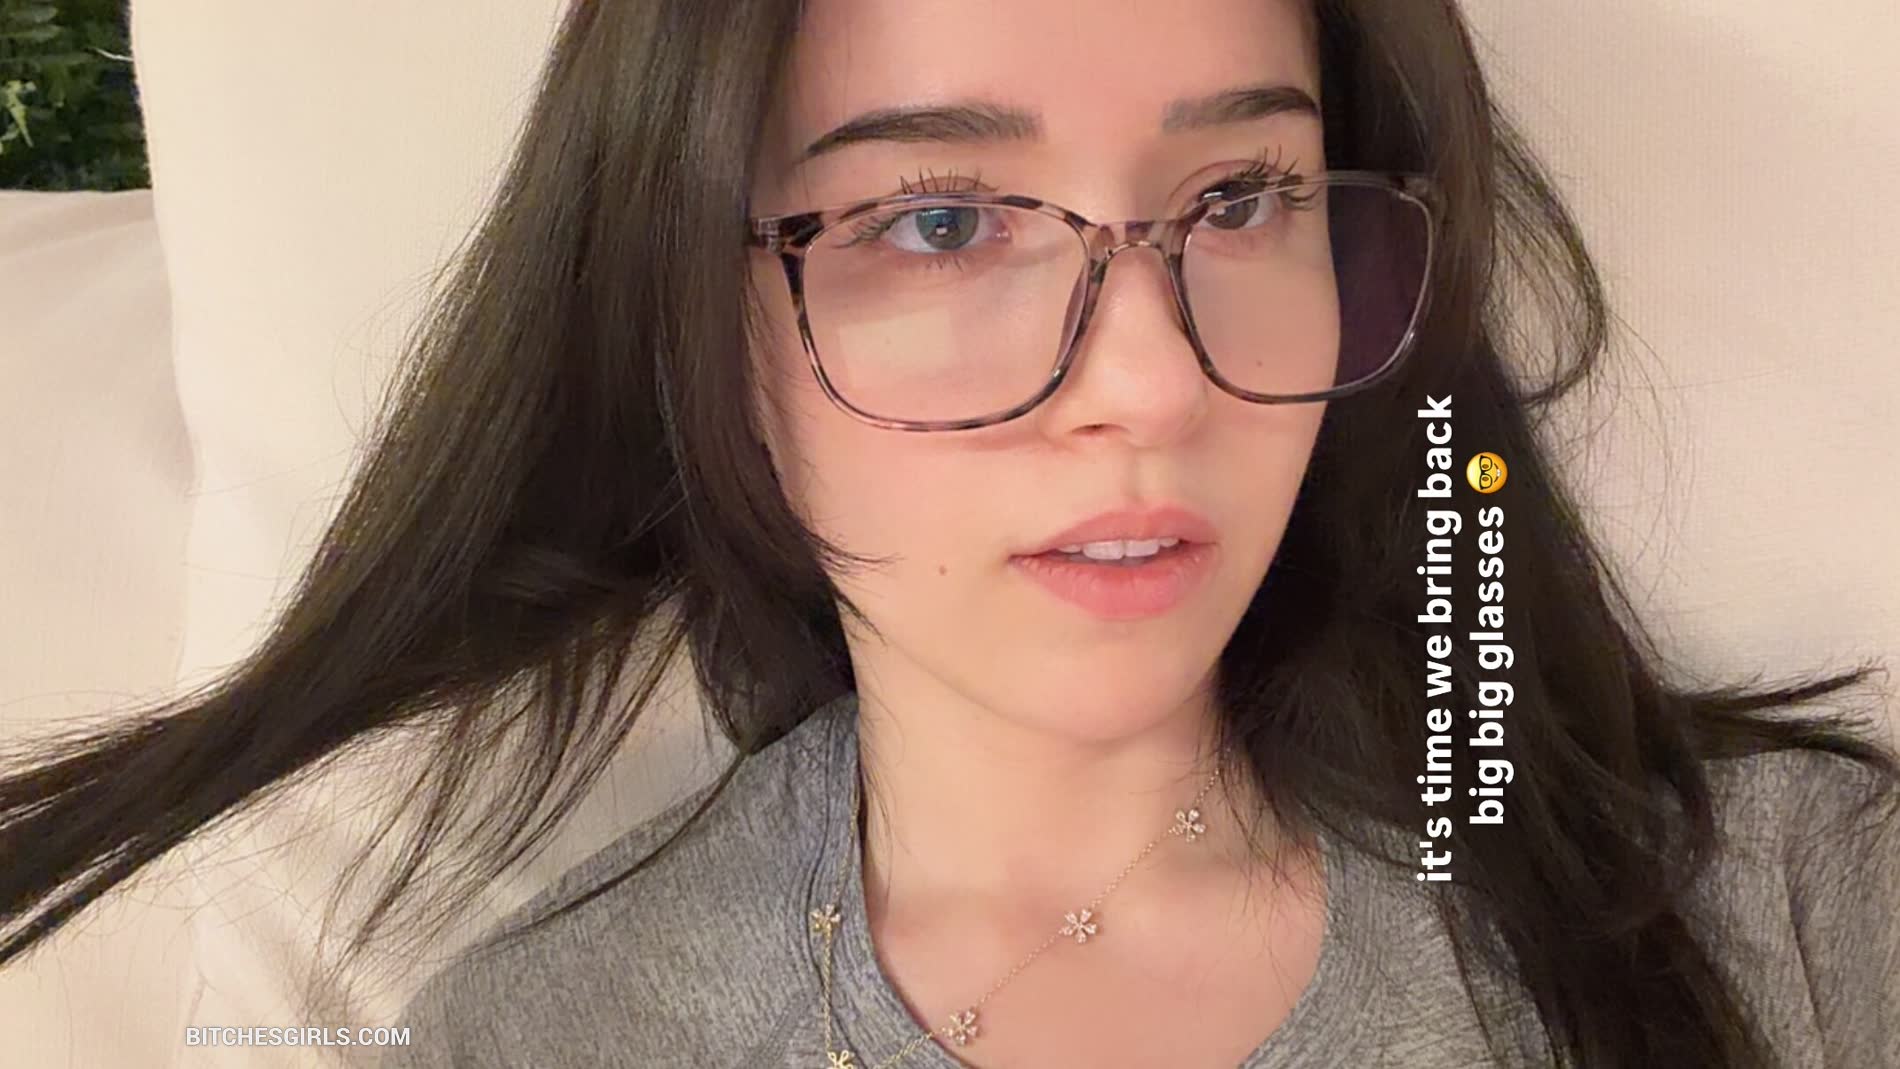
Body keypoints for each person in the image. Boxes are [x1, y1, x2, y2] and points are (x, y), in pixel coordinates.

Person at [2, 0, 1896, 1066]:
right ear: (697, 327)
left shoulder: (1780, 908)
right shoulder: (549, 1037)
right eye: (939, 221)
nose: (1150, 381)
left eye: (1243, 196)